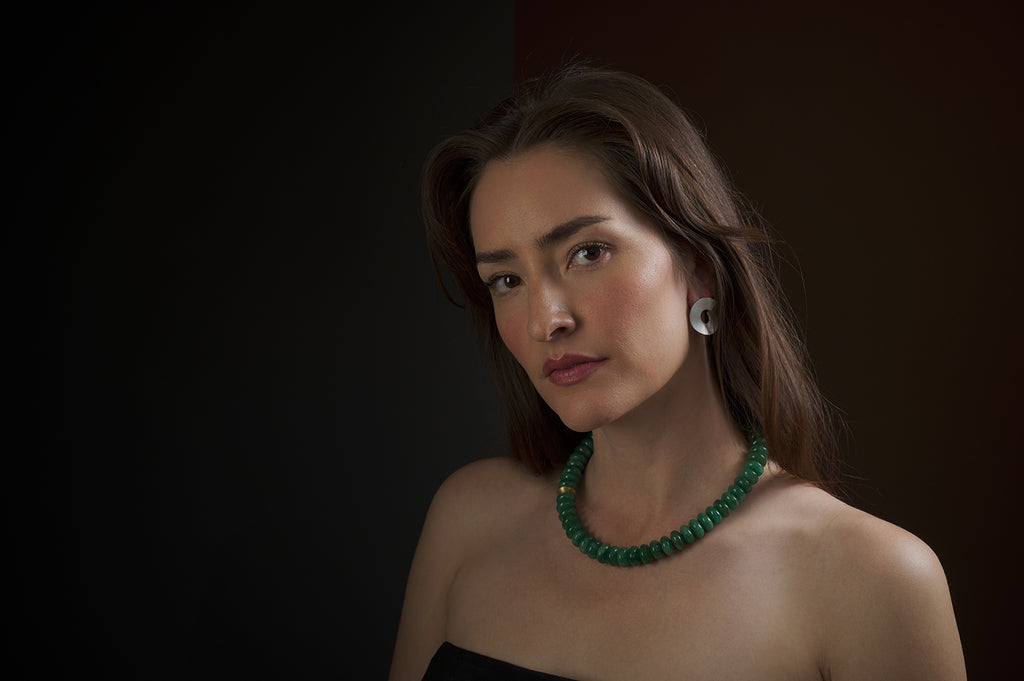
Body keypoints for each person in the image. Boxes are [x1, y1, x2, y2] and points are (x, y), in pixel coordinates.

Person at [388, 65, 966, 681]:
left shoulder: (871, 581)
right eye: (507, 279)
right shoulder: (468, 521)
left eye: (588, 252)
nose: (544, 321)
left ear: (699, 267)